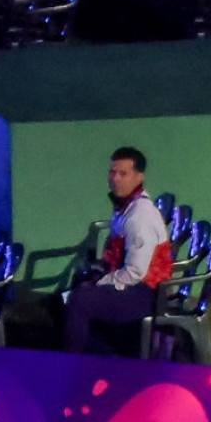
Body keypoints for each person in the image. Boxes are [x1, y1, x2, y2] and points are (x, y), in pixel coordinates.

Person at [62, 146, 171, 354]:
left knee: (80, 300)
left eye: (123, 174)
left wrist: (100, 282)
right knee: (77, 283)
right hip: (130, 282)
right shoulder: (127, 206)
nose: (115, 179)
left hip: (146, 293)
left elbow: (135, 273)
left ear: (139, 177)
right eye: (112, 172)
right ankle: (97, 349)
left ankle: (75, 360)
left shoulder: (140, 217)